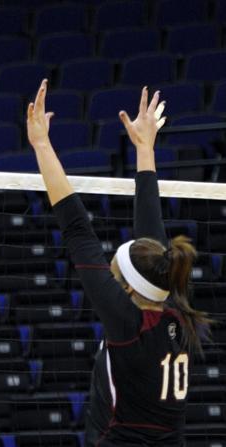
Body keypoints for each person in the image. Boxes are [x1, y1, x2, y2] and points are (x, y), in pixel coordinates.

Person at [26, 80, 212, 446]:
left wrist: (42, 144)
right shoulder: (175, 311)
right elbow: (153, 246)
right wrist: (145, 149)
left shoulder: (129, 324)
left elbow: (78, 231)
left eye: (113, 272)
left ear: (127, 288)